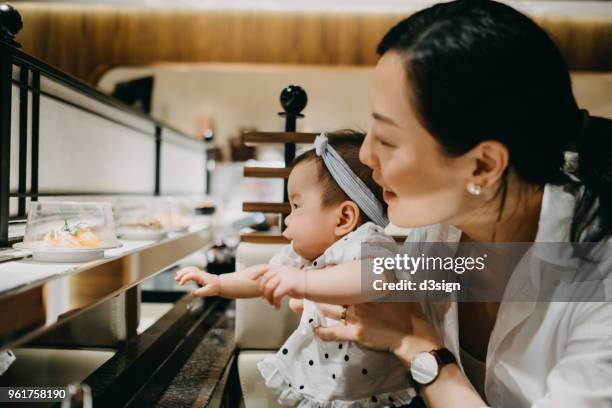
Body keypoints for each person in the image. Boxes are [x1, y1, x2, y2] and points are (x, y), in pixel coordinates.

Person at [253, 1, 612, 407]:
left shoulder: (597, 276)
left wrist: (419, 348)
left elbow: (406, 330)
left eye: (388, 139)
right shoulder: (441, 232)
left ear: (482, 166)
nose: (368, 157)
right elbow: (380, 296)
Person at [176, 131, 420, 407]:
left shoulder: (369, 241)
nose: (287, 220)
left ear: (344, 218)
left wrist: (303, 281)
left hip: (369, 395)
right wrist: (220, 283)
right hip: (322, 382)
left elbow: (374, 276)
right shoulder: (305, 256)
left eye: (296, 206)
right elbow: (260, 277)